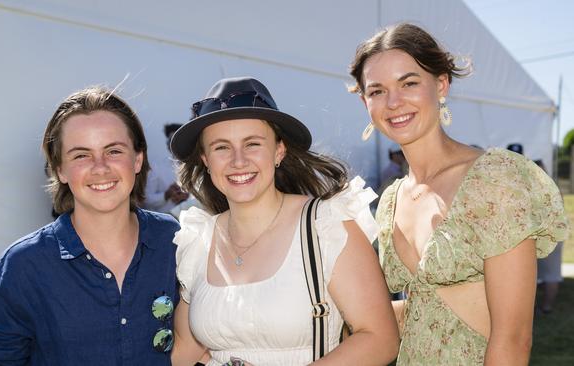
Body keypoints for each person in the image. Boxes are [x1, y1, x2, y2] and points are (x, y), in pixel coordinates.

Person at [349, 23, 568, 365]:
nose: (393, 102)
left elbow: (513, 338)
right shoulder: (390, 201)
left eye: (408, 83)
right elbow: (424, 309)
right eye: (377, 91)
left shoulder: (494, 180)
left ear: (441, 85)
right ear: (365, 102)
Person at [169, 76, 399, 366]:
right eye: (221, 147)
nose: (238, 161)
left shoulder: (324, 225)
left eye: (252, 144)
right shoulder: (198, 240)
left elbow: (380, 338)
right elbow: (184, 354)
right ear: (205, 158)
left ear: (279, 150)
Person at [0, 86, 180, 365]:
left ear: (138, 159)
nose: (100, 167)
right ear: (60, 169)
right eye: (81, 155)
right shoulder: (21, 268)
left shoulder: (176, 243)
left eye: (114, 151)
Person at [533, 159, 564, 314]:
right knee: (551, 274)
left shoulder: (532, 188)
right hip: (555, 235)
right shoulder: (553, 187)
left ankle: (544, 307)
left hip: (543, 236)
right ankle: (546, 307)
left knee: (548, 275)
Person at [144, 123, 189, 214]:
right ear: (167, 144)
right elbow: (146, 200)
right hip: (167, 220)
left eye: (178, 139)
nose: (174, 143)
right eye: (170, 140)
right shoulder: (157, 167)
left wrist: (189, 196)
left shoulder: (197, 165)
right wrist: (166, 195)